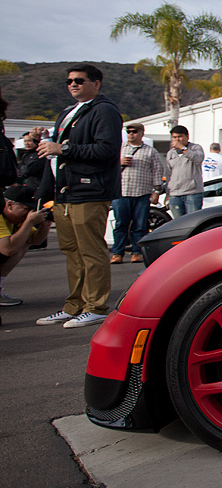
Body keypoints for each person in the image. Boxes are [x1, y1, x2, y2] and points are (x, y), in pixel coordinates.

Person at [33, 64, 123, 329]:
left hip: (90, 191)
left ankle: (96, 307)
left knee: (91, 250)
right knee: (71, 251)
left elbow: (106, 149)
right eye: (69, 81)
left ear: (96, 83)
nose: (73, 84)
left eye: (79, 80)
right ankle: (74, 305)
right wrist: (44, 193)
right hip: (64, 193)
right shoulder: (66, 113)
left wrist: (64, 148)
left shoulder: (104, 110)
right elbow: (53, 158)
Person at [111, 122, 166, 265]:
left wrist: (156, 192)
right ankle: (117, 253)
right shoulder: (119, 149)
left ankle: (137, 252)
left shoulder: (150, 151)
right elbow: (107, 168)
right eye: (128, 131)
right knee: (120, 225)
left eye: (134, 131)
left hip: (142, 193)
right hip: (121, 193)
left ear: (142, 133)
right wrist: (119, 163)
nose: (131, 134)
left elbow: (157, 171)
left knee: (140, 226)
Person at [0, 185, 52, 314]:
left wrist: (45, 226)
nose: (29, 213)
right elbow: (7, 249)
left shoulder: (15, 217)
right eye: (26, 209)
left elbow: (34, 240)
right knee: (14, 244)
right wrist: (29, 222)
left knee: (22, 243)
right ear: (10, 205)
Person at [162, 125, 205, 216]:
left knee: (192, 221)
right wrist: (168, 194)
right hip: (175, 194)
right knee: (179, 223)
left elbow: (198, 159)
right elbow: (169, 174)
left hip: (192, 193)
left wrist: (183, 148)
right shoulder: (171, 153)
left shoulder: (196, 148)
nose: (177, 140)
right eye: (174, 137)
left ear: (187, 137)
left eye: (180, 137)